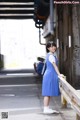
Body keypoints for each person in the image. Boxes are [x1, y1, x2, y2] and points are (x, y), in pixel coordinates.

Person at [42, 41, 64, 114]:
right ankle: (45, 108)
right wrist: (59, 74)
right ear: (48, 48)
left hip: (49, 74)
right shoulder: (51, 56)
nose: (53, 47)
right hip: (50, 74)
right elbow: (55, 66)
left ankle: (47, 108)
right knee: (47, 92)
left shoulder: (50, 55)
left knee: (48, 92)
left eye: (54, 46)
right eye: (51, 46)